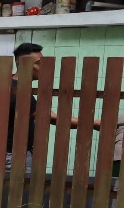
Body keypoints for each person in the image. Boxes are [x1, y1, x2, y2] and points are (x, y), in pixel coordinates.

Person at [7, 42, 102, 174]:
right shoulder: (19, 91)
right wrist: (91, 123)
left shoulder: (9, 82)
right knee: (17, 193)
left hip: (9, 153)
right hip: (12, 156)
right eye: (40, 63)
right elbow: (51, 117)